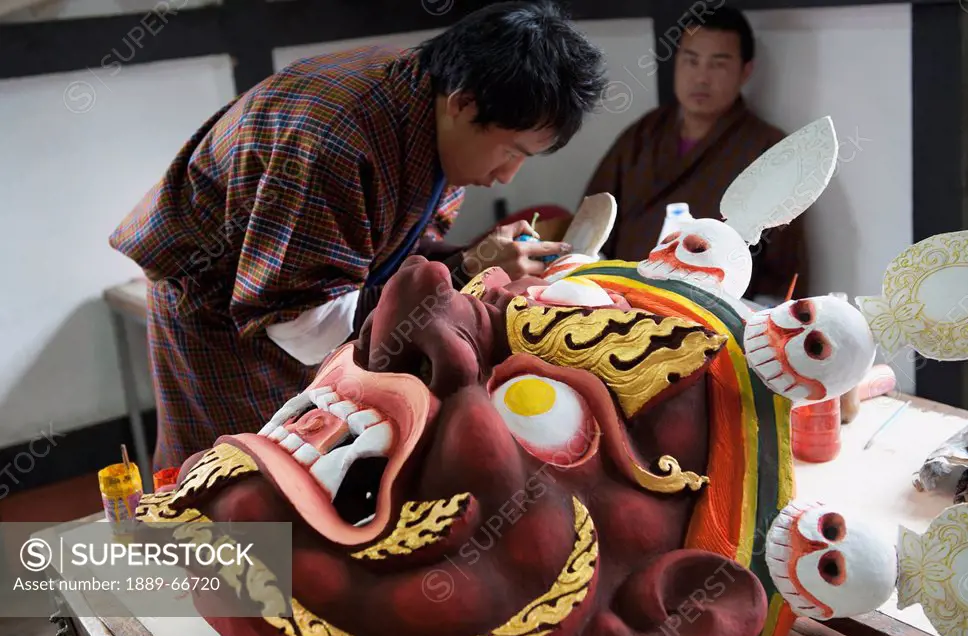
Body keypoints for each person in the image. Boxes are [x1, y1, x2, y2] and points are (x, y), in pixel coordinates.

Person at [109, 1, 607, 469]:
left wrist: (473, 262)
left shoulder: (424, 101)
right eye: (510, 151)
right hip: (225, 315)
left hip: (307, 300)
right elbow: (305, 324)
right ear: (462, 103)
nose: (507, 177)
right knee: (243, 480)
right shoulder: (335, 140)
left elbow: (393, 248)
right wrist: (458, 281)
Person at [585, 7, 808, 303]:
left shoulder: (769, 149)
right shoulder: (643, 134)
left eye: (718, 64)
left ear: (745, 71)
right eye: (691, 61)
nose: (701, 78)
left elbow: (781, 271)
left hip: (713, 320)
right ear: (676, 62)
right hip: (621, 303)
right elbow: (594, 221)